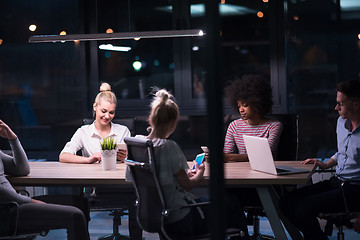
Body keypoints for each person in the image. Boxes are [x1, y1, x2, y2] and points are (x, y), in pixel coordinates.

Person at [135, 88, 250, 239]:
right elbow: (188, 185)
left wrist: (174, 178)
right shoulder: (168, 146)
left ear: (151, 119)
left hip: (156, 216)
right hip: (181, 218)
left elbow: (145, 178)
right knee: (232, 203)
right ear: (173, 123)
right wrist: (200, 173)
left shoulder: (137, 144)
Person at [59, 82, 142, 239]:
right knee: (79, 202)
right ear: (95, 107)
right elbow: (64, 156)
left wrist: (127, 158)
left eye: (111, 113)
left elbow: (135, 160)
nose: (107, 116)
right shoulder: (84, 132)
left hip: (122, 187)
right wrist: (88, 160)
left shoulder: (122, 131)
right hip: (96, 188)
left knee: (136, 198)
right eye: (104, 111)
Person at [279, 80, 360, 240]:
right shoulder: (341, 122)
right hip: (338, 181)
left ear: (356, 105)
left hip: (355, 190)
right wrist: (326, 164)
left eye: (340, 104)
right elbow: (343, 152)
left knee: (303, 208)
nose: (336, 108)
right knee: (285, 201)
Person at [0, 119, 89, 240]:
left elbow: (22, 169)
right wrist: (29, 201)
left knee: (78, 203)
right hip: (7, 213)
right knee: (76, 215)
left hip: (12, 206)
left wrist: (13, 138)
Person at [223, 74, 283, 162]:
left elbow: (265, 155)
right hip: (242, 171)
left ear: (257, 104)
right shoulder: (234, 126)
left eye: (245, 105)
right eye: (238, 106)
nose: (241, 110)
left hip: (266, 171)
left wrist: (228, 157)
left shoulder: (274, 126)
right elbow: (227, 154)